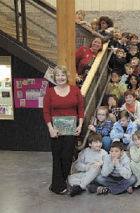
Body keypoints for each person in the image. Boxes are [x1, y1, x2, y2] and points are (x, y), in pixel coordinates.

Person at [43, 65, 84, 195]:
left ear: (67, 76)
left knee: (67, 156)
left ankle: (59, 183)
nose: (60, 78)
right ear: (54, 77)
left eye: (63, 75)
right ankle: (58, 186)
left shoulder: (75, 90)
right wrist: (50, 128)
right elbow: (46, 112)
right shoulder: (49, 92)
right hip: (55, 129)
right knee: (57, 157)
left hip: (71, 129)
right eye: (58, 75)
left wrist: (80, 125)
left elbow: (81, 109)